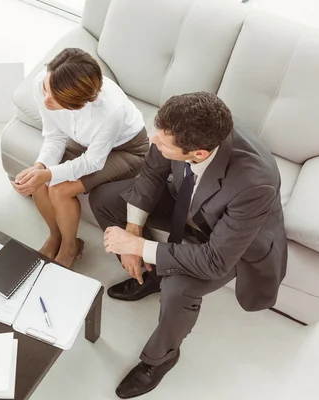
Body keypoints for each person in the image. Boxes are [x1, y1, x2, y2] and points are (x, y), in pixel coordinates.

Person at [89, 92, 287, 399]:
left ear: (198, 153)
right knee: (104, 200)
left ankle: (162, 357)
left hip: (230, 242)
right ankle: (151, 275)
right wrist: (132, 236)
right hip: (190, 203)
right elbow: (153, 172)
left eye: (164, 143)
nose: (153, 141)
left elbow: (215, 261)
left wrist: (139, 246)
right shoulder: (176, 127)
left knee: (178, 288)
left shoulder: (254, 182)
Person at [13, 48, 149, 268]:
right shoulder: (44, 83)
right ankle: (55, 237)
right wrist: (40, 167)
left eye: (56, 99)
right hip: (87, 142)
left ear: (78, 102)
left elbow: (93, 162)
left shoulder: (111, 110)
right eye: (46, 90)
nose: (46, 100)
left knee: (59, 189)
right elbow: (54, 136)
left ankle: (69, 247)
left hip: (127, 150)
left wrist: (49, 173)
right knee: (39, 184)